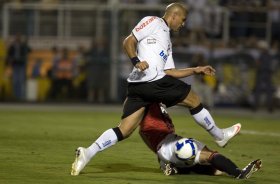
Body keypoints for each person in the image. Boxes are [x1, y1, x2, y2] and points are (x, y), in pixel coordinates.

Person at [71, 2, 241, 176]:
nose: (183, 24)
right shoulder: (153, 21)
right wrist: (136, 61)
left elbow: (170, 71)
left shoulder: (167, 40)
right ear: (173, 15)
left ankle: (87, 152)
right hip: (153, 82)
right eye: (182, 20)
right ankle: (219, 135)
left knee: (125, 129)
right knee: (194, 100)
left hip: (139, 87)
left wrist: (195, 69)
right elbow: (128, 41)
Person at [139, 103, 262, 179]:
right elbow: (212, 157)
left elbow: (143, 134)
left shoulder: (146, 125)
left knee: (208, 167)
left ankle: (175, 168)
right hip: (169, 148)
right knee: (209, 158)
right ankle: (238, 172)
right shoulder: (150, 110)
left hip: (165, 155)